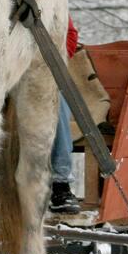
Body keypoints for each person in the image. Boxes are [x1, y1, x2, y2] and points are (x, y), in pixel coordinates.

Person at [49, 18, 82, 214]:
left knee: (56, 97)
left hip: (41, 68)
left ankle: (60, 184)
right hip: (0, 69)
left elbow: (69, 34)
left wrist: (53, 61)